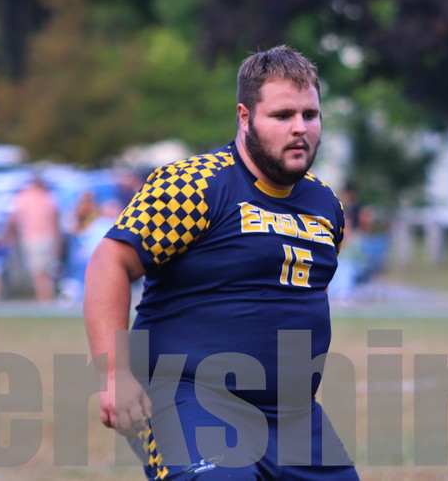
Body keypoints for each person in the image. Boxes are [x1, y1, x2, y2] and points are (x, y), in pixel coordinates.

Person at [84, 45, 357, 480]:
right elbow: (109, 262)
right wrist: (115, 375)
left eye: (310, 114)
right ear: (245, 117)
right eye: (282, 115)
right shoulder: (195, 185)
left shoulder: (326, 205)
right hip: (191, 400)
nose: (300, 128)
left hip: (293, 416)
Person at [6, 173, 62, 302]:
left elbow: (13, 219)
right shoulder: (49, 197)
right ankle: (47, 297)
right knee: (46, 272)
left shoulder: (22, 197)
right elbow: (55, 220)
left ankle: (44, 299)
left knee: (38, 272)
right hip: (48, 238)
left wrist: (9, 235)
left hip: (32, 238)